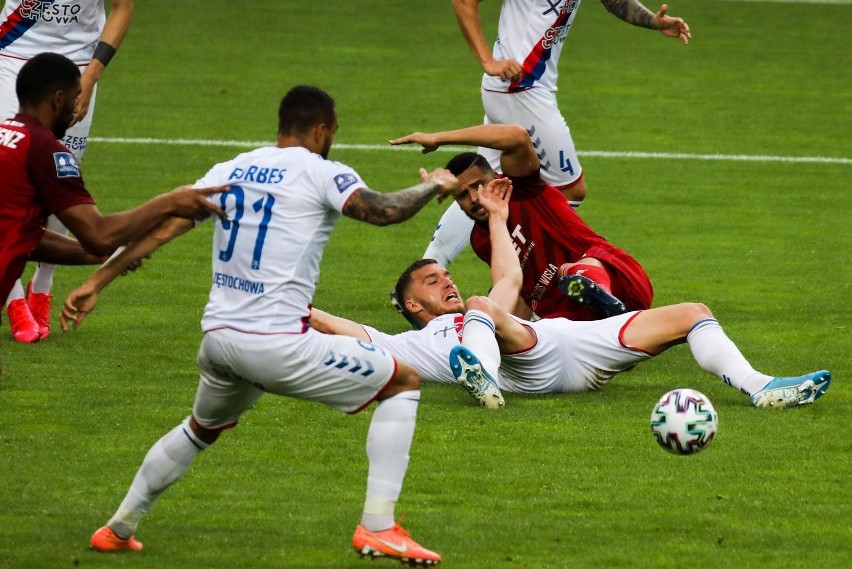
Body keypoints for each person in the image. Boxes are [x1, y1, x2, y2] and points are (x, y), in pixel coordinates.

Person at [61, 85, 459, 565]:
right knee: (402, 381)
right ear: (320, 129)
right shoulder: (323, 172)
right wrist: (435, 183)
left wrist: (97, 281)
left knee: (199, 429)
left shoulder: (230, 170)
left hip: (219, 341)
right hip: (274, 345)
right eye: (332, 132)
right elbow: (384, 210)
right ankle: (379, 527)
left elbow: (164, 227)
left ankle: (118, 528)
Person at [311, 178, 832, 412]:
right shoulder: (414, 346)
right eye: (430, 282)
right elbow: (353, 331)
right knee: (482, 304)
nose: (444, 280)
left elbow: (510, 281)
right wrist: (301, 310)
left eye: (441, 274)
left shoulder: (479, 309)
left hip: (567, 343)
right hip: (528, 369)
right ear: (412, 309)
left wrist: (496, 217)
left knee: (692, 314)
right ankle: (485, 381)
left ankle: (760, 387)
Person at [422, 0, 691, 267]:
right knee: (571, 190)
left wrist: (653, 21)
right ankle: (540, 274)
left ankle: (428, 269)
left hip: (521, 89)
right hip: (519, 90)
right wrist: (488, 60)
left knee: (484, 188)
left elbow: (615, 1)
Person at [0, 52, 226, 352]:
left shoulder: (8, 136)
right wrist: (170, 201)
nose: (77, 109)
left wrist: (99, 256)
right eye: (75, 98)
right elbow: (99, 234)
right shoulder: (46, 152)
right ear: (58, 99)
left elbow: (23, 238)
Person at [391, 122, 653, 323]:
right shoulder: (482, 241)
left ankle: (604, 300)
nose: (474, 198)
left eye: (479, 186)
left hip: (622, 281)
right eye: (462, 195)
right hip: (567, 318)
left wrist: (439, 138)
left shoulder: (523, 189)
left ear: (496, 175)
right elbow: (520, 292)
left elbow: (517, 137)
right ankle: (611, 334)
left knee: (572, 272)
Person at [1, 0, 134, 342]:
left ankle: (43, 285)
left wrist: (89, 78)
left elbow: (122, 7)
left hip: (76, 64)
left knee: (63, 174)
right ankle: (13, 299)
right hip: (13, 51)